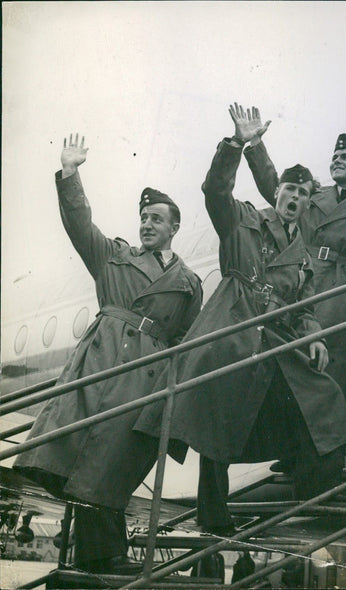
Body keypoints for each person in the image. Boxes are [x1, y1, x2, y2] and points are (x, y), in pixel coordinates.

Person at [134, 105, 346, 536]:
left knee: (323, 397)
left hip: (274, 339)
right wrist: (236, 145)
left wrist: (316, 337)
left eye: (303, 194)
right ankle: (213, 516)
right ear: (278, 193)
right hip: (232, 330)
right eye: (289, 189)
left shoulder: (304, 258)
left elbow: (305, 307)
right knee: (217, 423)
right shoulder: (244, 220)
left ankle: (313, 488)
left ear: (309, 203)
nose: (293, 198)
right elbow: (216, 191)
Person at [14, 134, 203, 574]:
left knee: (112, 461)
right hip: (101, 366)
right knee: (88, 458)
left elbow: (187, 339)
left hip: (145, 376)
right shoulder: (113, 257)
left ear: (175, 227)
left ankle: (101, 557)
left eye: (156, 219)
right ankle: (102, 559)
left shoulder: (190, 282)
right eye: (143, 218)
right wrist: (70, 173)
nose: (147, 225)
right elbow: (80, 225)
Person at [243, 131, 346, 413]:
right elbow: (273, 187)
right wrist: (255, 145)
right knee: (293, 360)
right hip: (303, 279)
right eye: (334, 157)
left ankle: (331, 449)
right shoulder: (310, 194)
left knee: (337, 367)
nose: (336, 160)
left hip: (343, 290)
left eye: (345, 157)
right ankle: (291, 449)